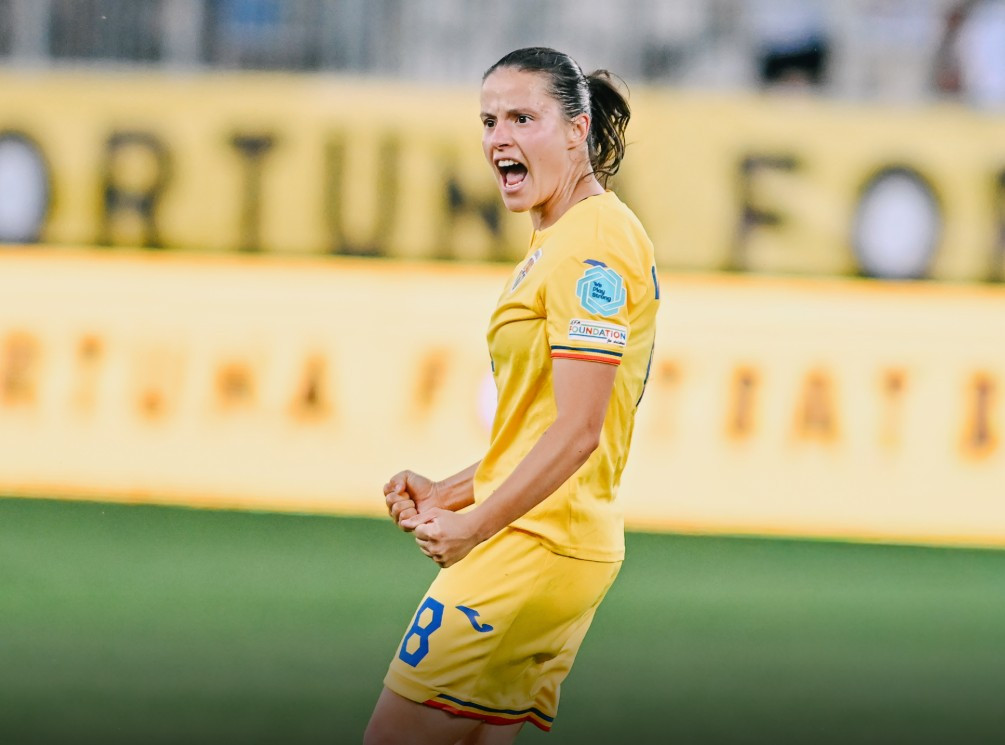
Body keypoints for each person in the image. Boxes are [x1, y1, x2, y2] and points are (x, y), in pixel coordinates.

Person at [364, 47, 660, 745]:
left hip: (531, 544)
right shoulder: (568, 236)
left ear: (577, 130)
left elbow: (580, 430)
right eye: (489, 121)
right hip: (564, 543)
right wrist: (449, 492)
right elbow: (545, 427)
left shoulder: (591, 246)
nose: (499, 137)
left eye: (523, 118)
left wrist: (475, 526)